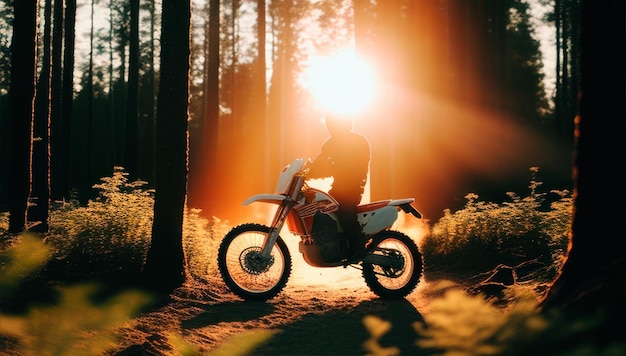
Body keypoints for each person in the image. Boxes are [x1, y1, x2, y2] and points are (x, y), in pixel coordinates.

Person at [306, 113, 371, 261]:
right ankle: (331, 244)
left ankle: (358, 247)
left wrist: (326, 170)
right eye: (330, 124)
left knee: (345, 211)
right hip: (339, 186)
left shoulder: (358, 141)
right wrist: (306, 172)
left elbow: (355, 166)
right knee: (323, 208)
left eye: (334, 124)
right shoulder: (331, 142)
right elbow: (321, 160)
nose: (331, 127)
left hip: (353, 186)